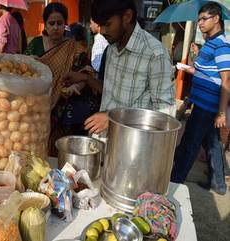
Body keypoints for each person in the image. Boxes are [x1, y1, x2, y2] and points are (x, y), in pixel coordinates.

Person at [64, 0, 176, 134]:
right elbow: (111, 91)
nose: (103, 31)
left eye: (107, 24)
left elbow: (165, 114)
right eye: (100, 25)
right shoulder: (112, 47)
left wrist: (113, 118)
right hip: (104, 140)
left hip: (131, 146)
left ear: (127, 16)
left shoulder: (154, 54)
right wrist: (85, 78)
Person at [25, 2, 100, 156]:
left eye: (59, 23)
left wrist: (76, 87)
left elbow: (86, 71)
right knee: (36, 144)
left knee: (58, 149)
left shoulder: (74, 47)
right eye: (51, 23)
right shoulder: (35, 44)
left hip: (64, 107)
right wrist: (29, 62)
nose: (55, 27)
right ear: (45, 24)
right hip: (37, 106)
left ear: (65, 24)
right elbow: (21, 70)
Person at [171, 2, 229, 195]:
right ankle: (219, 184)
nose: (200, 23)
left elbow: (226, 80)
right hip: (201, 102)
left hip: (207, 106)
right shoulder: (211, 42)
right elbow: (205, 71)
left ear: (216, 19)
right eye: (199, 19)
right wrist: (190, 66)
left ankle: (174, 184)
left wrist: (221, 112)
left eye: (204, 19)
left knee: (189, 145)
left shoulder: (221, 45)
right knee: (211, 143)